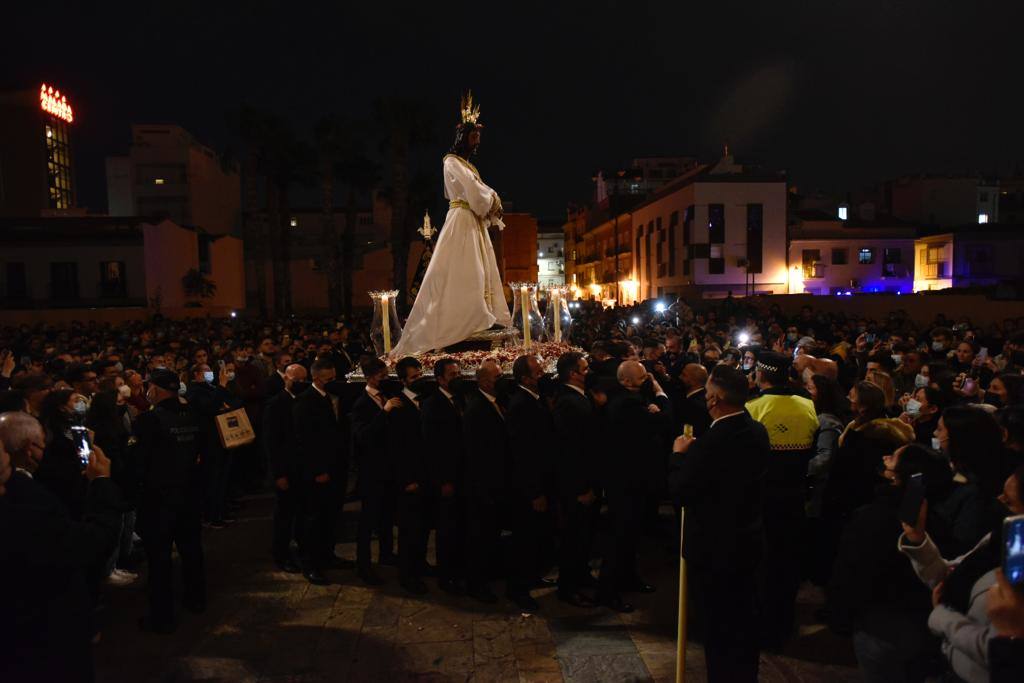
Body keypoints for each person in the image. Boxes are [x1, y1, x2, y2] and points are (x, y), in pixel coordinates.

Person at [669, 366, 769, 683]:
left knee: (718, 628)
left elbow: (681, 491)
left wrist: (679, 456)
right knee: (744, 622)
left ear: (714, 399)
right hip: (748, 539)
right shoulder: (757, 431)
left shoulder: (709, 444)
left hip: (714, 549)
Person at [391, 92, 511, 356]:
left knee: (478, 271)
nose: (477, 141)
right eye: (473, 136)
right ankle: (461, 322)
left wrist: (491, 198)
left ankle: (479, 318)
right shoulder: (451, 162)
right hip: (463, 220)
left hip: (472, 222)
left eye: (479, 137)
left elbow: (482, 192)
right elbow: (478, 194)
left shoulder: (466, 165)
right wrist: (493, 198)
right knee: (467, 271)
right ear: (462, 137)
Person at [0, 430, 123, 683]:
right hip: (41, 640)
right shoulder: (20, 517)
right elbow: (89, 542)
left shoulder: (21, 488)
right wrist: (101, 481)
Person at [827, 444, 951, 682]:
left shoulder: (874, 518)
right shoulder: (937, 517)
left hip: (880, 626)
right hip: (923, 622)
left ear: (899, 476)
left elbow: (852, 572)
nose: (885, 458)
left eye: (892, 457)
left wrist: (839, 615)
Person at [898, 465, 1024, 683]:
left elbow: (1002, 649)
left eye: (1009, 501)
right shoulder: (997, 539)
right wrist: (917, 539)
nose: (999, 500)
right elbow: (949, 574)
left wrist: (943, 617)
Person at [744, 351, 820, 646]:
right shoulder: (807, 404)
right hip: (795, 495)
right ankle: (784, 622)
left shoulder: (754, 407)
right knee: (787, 561)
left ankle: (761, 624)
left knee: (763, 563)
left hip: (763, 498)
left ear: (761, 375)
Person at [134, 369, 205, 633]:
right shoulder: (193, 415)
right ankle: (196, 598)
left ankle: (162, 615)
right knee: (191, 550)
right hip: (189, 493)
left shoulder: (149, 420)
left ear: (156, 389)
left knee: (160, 558)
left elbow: (140, 462)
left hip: (159, 499)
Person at [598, 359, 671, 612]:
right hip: (626, 481)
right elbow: (662, 422)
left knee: (631, 535)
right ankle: (609, 591)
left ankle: (628, 578)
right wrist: (661, 398)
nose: (648, 381)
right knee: (621, 536)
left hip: (633, 478)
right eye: (643, 378)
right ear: (627, 381)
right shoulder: (627, 403)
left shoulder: (628, 398)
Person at [505, 354, 556, 612]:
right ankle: (518, 589)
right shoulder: (520, 405)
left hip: (539, 480)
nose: (543, 374)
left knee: (536, 537)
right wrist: (535, 491)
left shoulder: (533, 399)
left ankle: (532, 576)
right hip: (528, 488)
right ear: (525, 378)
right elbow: (523, 453)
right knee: (524, 539)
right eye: (537, 371)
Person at [293, 358, 349, 585]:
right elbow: (304, 441)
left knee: (331, 515)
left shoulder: (334, 397)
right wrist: (317, 469)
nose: (333, 382)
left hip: (336, 466)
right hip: (318, 470)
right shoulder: (305, 402)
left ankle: (328, 554)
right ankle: (311, 563)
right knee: (314, 519)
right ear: (316, 379)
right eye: (329, 379)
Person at [552, 351, 599, 608]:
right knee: (573, 536)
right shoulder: (569, 403)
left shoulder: (579, 397)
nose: (588, 371)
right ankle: (568, 587)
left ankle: (580, 575)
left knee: (583, 535)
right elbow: (570, 450)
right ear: (573, 373)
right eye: (584, 368)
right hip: (576, 485)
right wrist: (581, 488)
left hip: (586, 480)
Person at [351, 356, 401, 585]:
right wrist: (385, 412)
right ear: (371, 377)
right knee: (369, 520)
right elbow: (364, 436)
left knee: (387, 515)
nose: (386, 379)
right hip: (372, 471)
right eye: (382, 376)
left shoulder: (386, 396)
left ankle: (386, 553)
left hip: (389, 467)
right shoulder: (361, 403)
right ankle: (363, 565)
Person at [462, 359, 507, 604]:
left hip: (494, 482)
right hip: (483, 485)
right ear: (481, 380)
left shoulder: (493, 402)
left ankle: (487, 575)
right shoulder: (477, 409)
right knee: (480, 536)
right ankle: (476, 583)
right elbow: (476, 452)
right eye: (496, 377)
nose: (500, 381)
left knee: (490, 534)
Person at [421, 357, 466, 594]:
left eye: (459, 374)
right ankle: (446, 575)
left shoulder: (459, 400)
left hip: (461, 474)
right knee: (446, 528)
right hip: (446, 478)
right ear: (440, 379)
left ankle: (459, 569)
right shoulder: (432, 405)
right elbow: (433, 448)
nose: (457, 378)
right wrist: (443, 481)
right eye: (452, 375)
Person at [389, 356, 430, 595]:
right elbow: (397, 448)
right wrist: (407, 480)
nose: (419, 380)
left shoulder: (423, 401)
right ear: (403, 380)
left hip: (423, 475)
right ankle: (407, 574)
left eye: (420, 375)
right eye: (414, 377)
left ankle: (420, 564)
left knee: (422, 526)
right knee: (409, 529)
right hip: (409, 479)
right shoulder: (398, 406)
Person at [264, 363, 309, 574]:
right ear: (285, 379)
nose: (299, 384)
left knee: (300, 512)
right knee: (284, 516)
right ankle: (281, 555)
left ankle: (300, 549)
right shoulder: (276, 405)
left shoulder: (305, 400)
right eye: (295, 380)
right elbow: (272, 443)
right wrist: (278, 474)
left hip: (301, 467)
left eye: (302, 380)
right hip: (286, 468)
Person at [186, 362, 242, 529]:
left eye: (210, 369)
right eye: (206, 370)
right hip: (208, 441)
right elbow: (210, 407)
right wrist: (222, 386)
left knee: (222, 478)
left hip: (222, 438)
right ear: (196, 374)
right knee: (212, 479)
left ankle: (221, 510)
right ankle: (212, 516)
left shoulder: (212, 388)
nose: (210, 372)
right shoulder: (195, 392)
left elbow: (231, 400)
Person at [674, 363, 711, 437]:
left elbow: (688, 436)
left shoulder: (695, 406)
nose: (680, 377)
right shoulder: (700, 397)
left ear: (694, 381)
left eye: (684, 375)